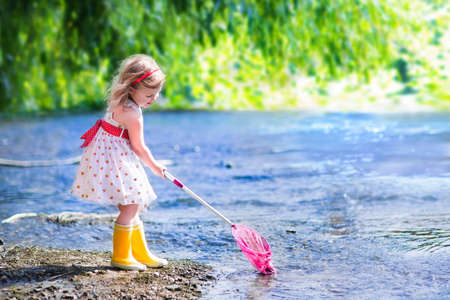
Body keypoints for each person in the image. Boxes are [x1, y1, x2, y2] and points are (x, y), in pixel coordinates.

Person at [71, 54, 168, 271]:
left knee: (131, 206)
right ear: (132, 88)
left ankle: (140, 253)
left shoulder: (119, 99)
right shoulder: (132, 113)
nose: (154, 98)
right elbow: (139, 147)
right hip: (117, 158)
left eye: (157, 93)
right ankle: (122, 256)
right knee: (130, 207)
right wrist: (155, 167)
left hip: (106, 156)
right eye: (150, 94)